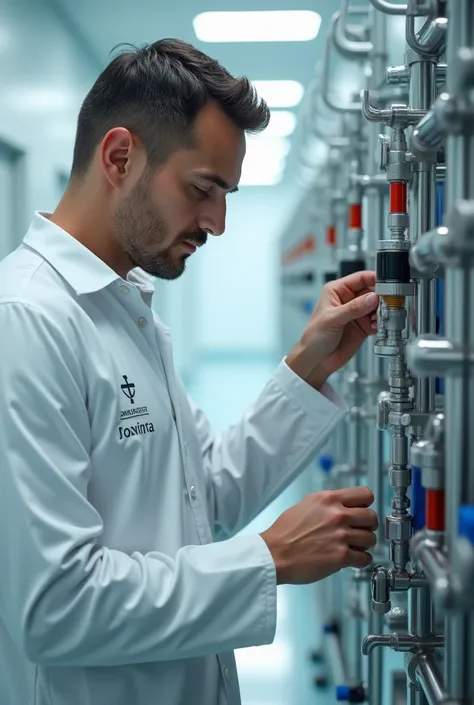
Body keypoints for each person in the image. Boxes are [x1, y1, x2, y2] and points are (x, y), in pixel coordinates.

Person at [0, 38, 380, 705]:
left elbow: (203, 495)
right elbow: (53, 605)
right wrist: (269, 558)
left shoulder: (127, 311)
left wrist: (305, 367)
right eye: (204, 189)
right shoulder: (25, 321)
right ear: (120, 156)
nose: (219, 222)